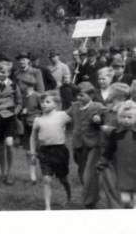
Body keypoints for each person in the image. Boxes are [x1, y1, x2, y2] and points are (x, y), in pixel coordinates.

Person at [30, 91, 72, 210]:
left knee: (63, 178)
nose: (44, 104)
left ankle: (69, 195)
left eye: (48, 102)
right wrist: (33, 153)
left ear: (56, 105)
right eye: (42, 102)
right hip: (44, 151)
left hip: (59, 151)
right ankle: (47, 207)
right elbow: (33, 137)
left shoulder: (62, 115)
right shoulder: (38, 120)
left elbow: (78, 119)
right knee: (47, 179)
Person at [66, 81, 106, 209]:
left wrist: (99, 118)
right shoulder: (75, 106)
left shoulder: (97, 106)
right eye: (77, 95)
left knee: (89, 173)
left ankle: (88, 202)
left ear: (91, 95)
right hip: (78, 144)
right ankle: (93, 197)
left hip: (93, 144)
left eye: (82, 95)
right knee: (82, 173)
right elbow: (64, 116)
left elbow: (107, 114)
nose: (78, 98)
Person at [96, 83, 130, 209]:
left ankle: (117, 208)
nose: (108, 93)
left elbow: (128, 129)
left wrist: (109, 130)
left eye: (110, 91)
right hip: (108, 148)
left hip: (116, 150)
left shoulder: (126, 110)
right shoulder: (110, 109)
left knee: (111, 180)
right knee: (109, 180)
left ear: (116, 94)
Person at [0, 60, 20, 185]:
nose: (1, 74)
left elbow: (19, 101)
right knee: (0, 146)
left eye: (3, 72)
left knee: (9, 143)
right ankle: (3, 173)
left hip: (9, 117)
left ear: (8, 73)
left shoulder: (13, 86)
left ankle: (10, 171)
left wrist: (15, 112)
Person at [18, 74, 42, 185]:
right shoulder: (23, 97)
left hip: (37, 129)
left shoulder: (37, 96)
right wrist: (22, 113)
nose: (19, 86)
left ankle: (47, 172)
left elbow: (45, 111)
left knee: (39, 152)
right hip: (27, 128)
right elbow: (20, 114)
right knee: (28, 152)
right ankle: (33, 177)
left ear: (26, 85)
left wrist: (36, 117)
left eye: (21, 84)